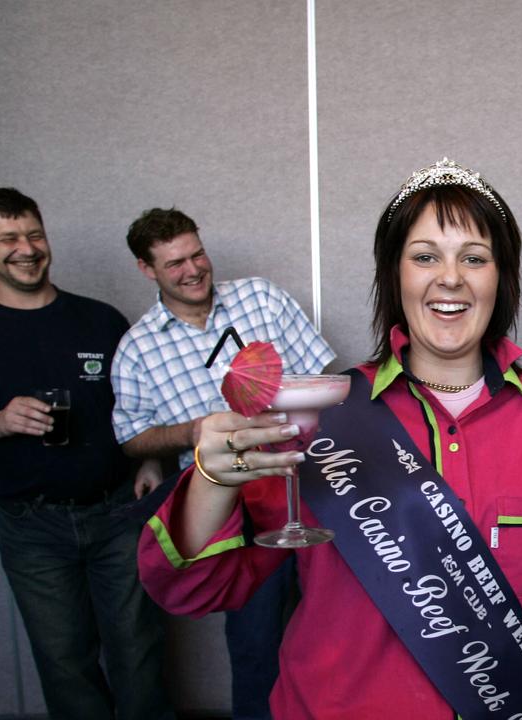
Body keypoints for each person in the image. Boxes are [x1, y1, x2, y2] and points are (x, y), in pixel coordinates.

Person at [138, 158, 522, 718]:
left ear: (500, 277)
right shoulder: (326, 413)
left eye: (475, 258)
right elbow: (196, 589)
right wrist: (214, 479)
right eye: (425, 256)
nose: (451, 277)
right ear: (394, 274)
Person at [0, 187, 173, 719]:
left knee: (139, 649)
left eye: (33, 234)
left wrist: (147, 460)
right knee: (64, 659)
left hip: (118, 511)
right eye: (7, 238)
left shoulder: (100, 320)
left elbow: (139, 407)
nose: (25, 248)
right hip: (33, 528)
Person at [111, 206, 335, 720]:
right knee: (256, 643)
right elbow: (130, 438)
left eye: (197, 254)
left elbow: (323, 376)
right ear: (147, 269)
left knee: (331, 624)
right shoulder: (138, 349)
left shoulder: (261, 297)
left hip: (309, 491)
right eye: (174, 264)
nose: (192, 270)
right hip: (235, 513)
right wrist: (191, 433)